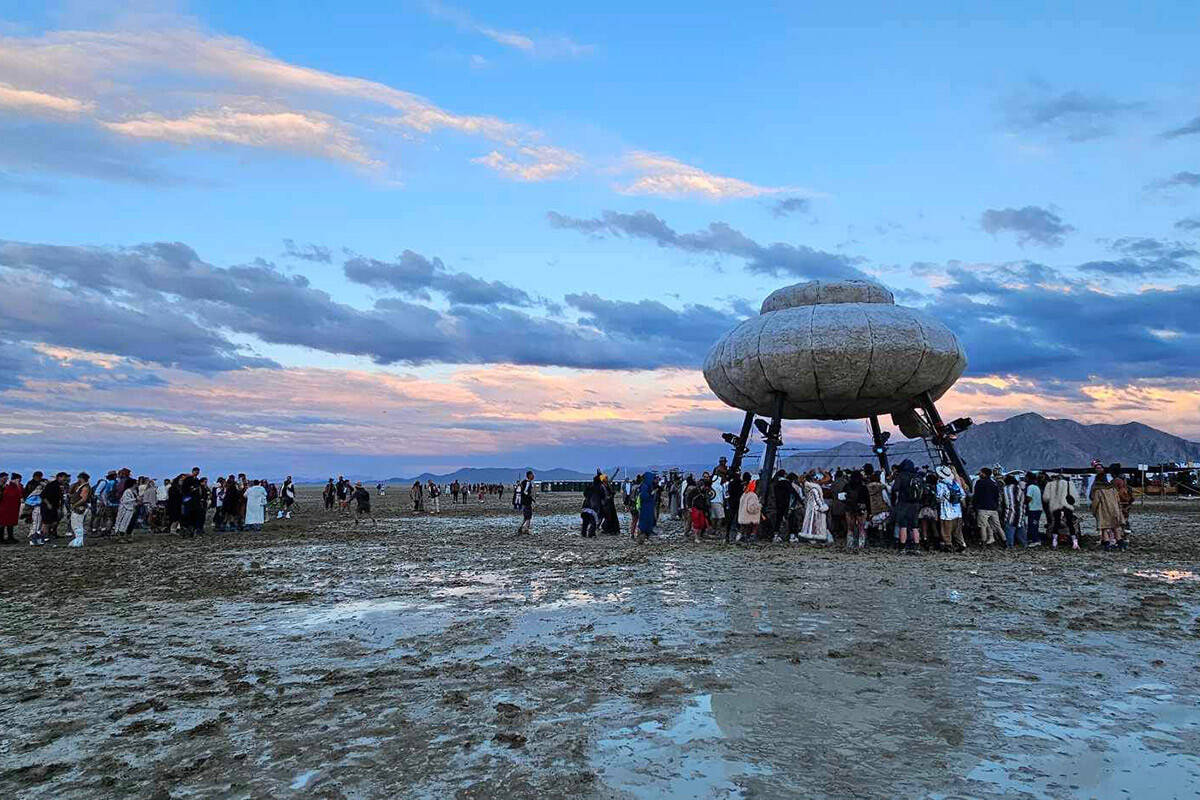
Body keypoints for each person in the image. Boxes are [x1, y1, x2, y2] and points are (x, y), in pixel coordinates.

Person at [1089, 466, 1125, 551]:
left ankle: (1107, 545)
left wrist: (1093, 511)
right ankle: (1121, 545)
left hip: (1104, 511)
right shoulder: (1112, 489)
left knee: (1104, 528)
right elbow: (1118, 500)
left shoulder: (1098, 490)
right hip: (1114, 510)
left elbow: (1095, 502)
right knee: (1115, 527)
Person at [936, 465, 967, 553]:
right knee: (957, 530)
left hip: (946, 512)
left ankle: (948, 545)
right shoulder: (955, 483)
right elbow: (963, 495)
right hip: (957, 512)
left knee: (946, 530)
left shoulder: (940, 484)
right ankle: (962, 544)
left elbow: (939, 497)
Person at [1044, 473, 1079, 550]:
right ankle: (1075, 543)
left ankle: (1054, 542)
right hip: (1067, 506)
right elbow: (1075, 497)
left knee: (1056, 523)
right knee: (1070, 523)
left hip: (1056, 506)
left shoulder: (1050, 485)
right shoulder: (1069, 484)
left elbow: (1046, 498)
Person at [973, 467, 1003, 546]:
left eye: (981, 473)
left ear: (984, 474)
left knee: (983, 526)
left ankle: (983, 541)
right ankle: (1004, 540)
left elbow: (976, 496)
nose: (980, 474)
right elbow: (997, 496)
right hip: (993, 508)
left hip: (983, 508)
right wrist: (996, 505)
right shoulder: (994, 483)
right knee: (997, 526)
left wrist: (974, 506)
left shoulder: (979, 483)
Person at [799, 470, 830, 543]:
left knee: (809, 521)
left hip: (810, 506)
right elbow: (817, 498)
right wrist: (822, 506)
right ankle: (815, 535)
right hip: (816, 507)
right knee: (816, 522)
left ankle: (809, 535)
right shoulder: (815, 487)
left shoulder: (806, 487)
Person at [843, 470, 869, 550]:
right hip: (861, 508)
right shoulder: (863, 487)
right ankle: (861, 545)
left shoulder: (847, 486)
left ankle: (849, 544)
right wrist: (869, 511)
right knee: (861, 527)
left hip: (849, 508)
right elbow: (867, 500)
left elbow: (841, 497)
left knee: (850, 527)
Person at [1110, 463, 1133, 550]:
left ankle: (1118, 540)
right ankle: (1126, 539)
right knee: (1125, 521)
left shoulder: (1116, 481)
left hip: (1119, 504)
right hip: (1126, 504)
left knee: (1117, 522)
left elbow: (1114, 493)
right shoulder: (1124, 479)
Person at [1002, 474, 1027, 548]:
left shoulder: (1005, 489)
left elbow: (1002, 501)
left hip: (1009, 511)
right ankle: (1024, 543)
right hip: (1020, 511)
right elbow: (1022, 500)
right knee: (1020, 527)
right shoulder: (1019, 488)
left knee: (1009, 528)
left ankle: (1010, 544)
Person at [67, 472, 91, 547]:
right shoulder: (83, 486)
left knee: (77, 524)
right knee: (79, 524)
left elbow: (84, 499)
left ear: (81, 478)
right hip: (81, 507)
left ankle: (79, 541)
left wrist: (74, 505)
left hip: (80, 507)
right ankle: (79, 540)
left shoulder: (85, 487)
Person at [736, 477, 762, 543]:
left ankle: (740, 537)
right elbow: (751, 508)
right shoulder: (753, 495)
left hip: (743, 516)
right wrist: (759, 506)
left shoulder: (744, 494)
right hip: (750, 517)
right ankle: (751, 538)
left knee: (743, 528)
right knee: (753, 528)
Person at [636, 471, 658, 544]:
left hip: (649, 506)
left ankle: (646, 536)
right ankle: (641, 539)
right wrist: (651, 494)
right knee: (645, 522)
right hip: (646, 507)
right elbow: (643, 496)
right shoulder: (644, 486)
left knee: (649, 521)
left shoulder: (649, 485)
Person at [0, 472, 21, 544]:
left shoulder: (7, 486)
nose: (6, 479)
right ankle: (2, 538)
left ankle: (10, 537)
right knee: (3, 523)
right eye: (4, 478)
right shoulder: (6, 486)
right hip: (4, 507)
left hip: (9, 507)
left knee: (9, 523)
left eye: (6, 478)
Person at [1025, 472, 1044, 546]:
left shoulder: (1030, 487)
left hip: (1033, 509)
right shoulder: (1036, 486)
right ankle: (1033, 539)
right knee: (1034, 524)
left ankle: (1035, 540)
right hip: (1038, 508)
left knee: (1033, 525)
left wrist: (1024, 502)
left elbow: (1029, 498)